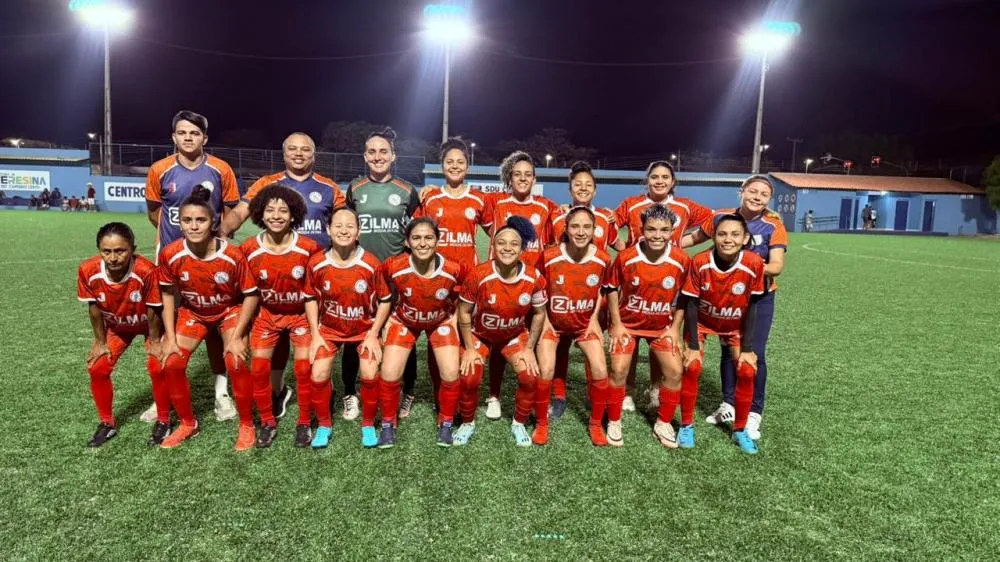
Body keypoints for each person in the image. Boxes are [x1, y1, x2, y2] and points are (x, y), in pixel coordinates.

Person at [220, 132, 347, 421]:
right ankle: (278, 392)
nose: (299, 154)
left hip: (315, 277)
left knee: (318, 339)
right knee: (275, 333)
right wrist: (223, 233)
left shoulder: (328, 188)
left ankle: (321, 390)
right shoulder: (266, 184)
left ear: (314, 155)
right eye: (292, 149)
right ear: (284, 153)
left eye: (305, 150)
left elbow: (343, 221)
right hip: (275, 274)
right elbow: (240, 212)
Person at [144, 110, 241, 424]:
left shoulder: (220, 169)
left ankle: (221, 391)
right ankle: (162, 399)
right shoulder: (159, 170)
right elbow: (154, 213)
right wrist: (178, 243)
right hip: (171, 262)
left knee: (214, 326)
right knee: (160, 328)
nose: (188, 138)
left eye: (195, 133)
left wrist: (211, 240)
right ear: (173, 137)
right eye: (182, 133)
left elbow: (228, 214)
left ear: (205, 138)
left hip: (209, 263)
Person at [682, 175, 787, 441]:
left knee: (754, 354)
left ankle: (754, 412)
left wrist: (744, 267)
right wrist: (665, 244)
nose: (757, 197)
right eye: (753, 191)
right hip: (722, 294)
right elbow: (694, 238)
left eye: (764, 194)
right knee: (728, 349)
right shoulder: (721, 217)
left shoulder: (773, 225)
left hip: (758, 297)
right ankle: (728, 403)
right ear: (742, 191)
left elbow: (776, 266)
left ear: (769, 199)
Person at [157, 187, 260, 450]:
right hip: (194, 313)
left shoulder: (232, 255)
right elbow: (168, 296)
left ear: (212, 221)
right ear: (179, 223)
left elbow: (250, 295)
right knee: (171, 362)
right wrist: (169, 336)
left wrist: (237, 336)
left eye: (200, 220)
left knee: (235, 360)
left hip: (229, 312)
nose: (194, 226)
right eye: (187, 220)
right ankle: (187, 423)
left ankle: (247, 425)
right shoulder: (170, 254)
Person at [612, 160, 712, 411]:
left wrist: (685, 242)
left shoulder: (683, 206)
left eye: (665, 177)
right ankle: (628, 389)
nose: (659, 181)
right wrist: (625, 249)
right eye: (654, 176)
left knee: (661, 327)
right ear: (647, 180)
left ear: (672, 181)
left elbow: (713, 221)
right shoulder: (632, 204)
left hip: (669, 272)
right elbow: (610, 225)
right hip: (635, 273)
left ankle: (657, 387)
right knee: (631, 326)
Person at [345, 127, 422, 419]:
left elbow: (416, 232)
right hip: (362, 275)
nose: (378, 157)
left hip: (398, 275)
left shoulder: (406, 190)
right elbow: (347, 227)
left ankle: (408, 391)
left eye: (383, 152)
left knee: (404, 332)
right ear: (365, 157)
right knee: (355, 332)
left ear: (393, 156)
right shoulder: (354, 189)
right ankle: (350, 393)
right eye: (372, 152)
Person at [369, 218, 466, 448]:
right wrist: (382, 324)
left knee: (451, 372)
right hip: (404, 321)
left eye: (429, 238)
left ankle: (446, 422)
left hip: (439, 321)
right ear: (407, 241)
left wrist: (454, 316)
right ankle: (387, 424)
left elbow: (467, 293)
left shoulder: (454, 268)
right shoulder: (393, 266)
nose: (423, 243)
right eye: (417, 238)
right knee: (390, 372)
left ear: (437, 240)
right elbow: (381, 292)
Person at [238, 184, 321, 448]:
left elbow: (316, 291)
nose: (276, 215)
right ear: (260, 213)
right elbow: (247, 293)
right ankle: (267, 421)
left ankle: (305, 422)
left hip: (300, 317)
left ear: (294, 215)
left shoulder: (309, 248)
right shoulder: (249, 249)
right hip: (267, 315)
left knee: (303, 368)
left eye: (283, 210)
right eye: (270, 210)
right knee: (259, 369)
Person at [678, 213, 767, 454]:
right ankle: (686, 425)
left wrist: (748, 349)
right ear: (715, 236)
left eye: (735, 234)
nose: (728, 239)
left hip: (735, 325)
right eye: (722, 234)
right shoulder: (700, 261)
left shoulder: (754, 263)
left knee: (747, 370)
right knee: (692, 366)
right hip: (702, 323)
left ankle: (740, 431)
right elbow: (692, 305)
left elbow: (753, 306)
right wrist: (693, 345)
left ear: (745, 238)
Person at [481, 151, 559, 420]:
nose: (523, 178)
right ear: (509, 178)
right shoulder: (495, 203)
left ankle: (539, 397)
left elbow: (569, 228)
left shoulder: (547, 207)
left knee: (533, 342)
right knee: (499, 341)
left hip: (533, 288)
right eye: (517, 174)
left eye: (528, 174)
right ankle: (493, 396)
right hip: (503, 287)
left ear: (534, 178)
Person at [456, 216, 548, 447]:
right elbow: (464, 312)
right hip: (480, 335)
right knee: (469, 378)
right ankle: (467, 422)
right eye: (501, 243)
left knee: (530, 377)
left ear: (522, 248)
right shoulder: (478, 275)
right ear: (493, 246)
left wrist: (529, 348)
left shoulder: (534, 277)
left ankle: (518, 423)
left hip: (513, 335)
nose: (507, 248)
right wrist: (468, 348)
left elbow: (539, 313)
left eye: (514, 243)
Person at [604, 204, 690, 448]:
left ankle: (663, 422)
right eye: (651, 229)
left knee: (674, 371)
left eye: (664, 230)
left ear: (673, 231)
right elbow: (610, 288)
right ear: (641, 229)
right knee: (619, 370)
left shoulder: (682, 260)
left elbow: (685, 295)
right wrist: (617, 324)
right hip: (628, 325)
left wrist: (675, 328)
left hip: (661, 327)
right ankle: (614, 421)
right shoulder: (626, 257)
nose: (657, 235)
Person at [77, 222, 168, 446]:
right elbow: (94, 308)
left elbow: (154, 308)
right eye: (106, 251)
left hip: (149, 325)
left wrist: (156, 341)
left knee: (158, 365)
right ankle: (107, 424)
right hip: (118, 327)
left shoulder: (146, 271)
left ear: (132, 248)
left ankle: (164, 420)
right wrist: (100, 342)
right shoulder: (88, 270)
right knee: (97, 366)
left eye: (120, 251)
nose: (113, 258)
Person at [413, 137, 487, 408]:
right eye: (449, 162)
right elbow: (417, 234)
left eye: (460, 162)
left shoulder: (479, 199)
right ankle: (439, 394)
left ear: (468, 166)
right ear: (441, 166)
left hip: (469, 282)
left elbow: (501, 231)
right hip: (438, 279)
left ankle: (464, 392)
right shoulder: (430, 198)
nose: (455, 166)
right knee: (439, 334)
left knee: (464, 333)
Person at [306, 207, 385, 449]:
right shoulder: (317, 263)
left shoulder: (371, 263)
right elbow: (310, 297)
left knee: (370, 373)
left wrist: (374, 334)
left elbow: (386, 299)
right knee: (318, 374)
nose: (344, 230)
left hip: (363, 330)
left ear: (358, 231)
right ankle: (324, 425)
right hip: (329, 329)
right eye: (338, 226)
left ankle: (368, 424)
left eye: (350, 226)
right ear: (328, 230)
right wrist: (315, 334)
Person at [536, 206, 610, 445]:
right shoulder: (549, 256)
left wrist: (594, 320)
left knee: (600, 369)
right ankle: (541, 424)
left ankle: (596, 425)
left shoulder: (602, 259)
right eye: (575, 226)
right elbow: (537, 290)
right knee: (546, 370)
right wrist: (545, 320)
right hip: (552, 324)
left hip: (583, 326)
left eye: (586, 226)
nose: (581, 231)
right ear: (566, 229)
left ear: (594, 230)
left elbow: (601, 290)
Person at [548, 161, 617, 413]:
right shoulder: (557, 216)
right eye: (578, 184)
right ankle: (559, 395)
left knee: (594, 341)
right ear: (570, 189)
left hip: (593, 293)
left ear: (595, 190)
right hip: (563, 293)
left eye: (588, 184)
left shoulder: (607, 218)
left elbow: (618, 245)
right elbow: (550, 250)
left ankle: (593, 393)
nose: (583, 188)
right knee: (562, 343)